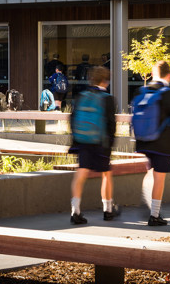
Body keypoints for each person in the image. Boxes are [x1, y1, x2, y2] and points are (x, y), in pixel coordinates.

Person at [133, 60, 170, 227]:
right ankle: (154, 215)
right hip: (163, 143)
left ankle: (146, 201)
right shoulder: (168, 93)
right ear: (169, 75)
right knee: (159, 178)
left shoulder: (142, 90)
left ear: (152, 74)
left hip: (144, 141)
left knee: (150, 171)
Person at [68, 66, 119, 224]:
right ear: (105, 81)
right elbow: (111, 124)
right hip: (100, 143)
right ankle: (108, 210)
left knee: (80, 174)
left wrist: (77, 139)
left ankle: (75, 211)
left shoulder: (81, 96)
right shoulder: (108, 98)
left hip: (83, 142)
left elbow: (72, 118)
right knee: (106, 174)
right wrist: (110, 143)